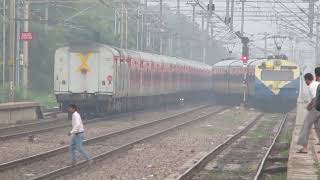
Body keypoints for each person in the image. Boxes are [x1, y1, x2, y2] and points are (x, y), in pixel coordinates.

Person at [297, 73, 320, 153]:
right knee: (318, 126)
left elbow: (315, 98)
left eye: (305, 80)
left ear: (307, 79)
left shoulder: (311, 86)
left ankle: (304, 147)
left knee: (306, 125)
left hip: (316, 108)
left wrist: (309, 106)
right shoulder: (317, 83)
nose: (305, 82)